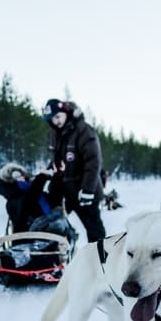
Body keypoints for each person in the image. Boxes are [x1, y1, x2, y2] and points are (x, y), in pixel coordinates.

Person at [42, 98, 106, 243]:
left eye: (58, 117)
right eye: (52, 119)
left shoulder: (83, 130)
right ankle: (58, 256)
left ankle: (102, 260)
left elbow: (93, 161)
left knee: (94, 229)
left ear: (66, 112)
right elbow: (57, 159)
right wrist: (46, 173)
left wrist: (88, 190)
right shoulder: (54, 132)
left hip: (84, 190)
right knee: (53, 223)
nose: (55, 121)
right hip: (65, 190)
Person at [0, 162, 51, 233]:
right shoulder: (15, 200)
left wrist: (58, 175)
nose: (21, 179)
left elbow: (54, 199)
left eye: (22, 176)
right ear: (11, 181)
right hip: (25, 237)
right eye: (17, 178)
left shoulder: (39, 195)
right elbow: (31, 198)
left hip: (45, 232)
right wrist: (41, 177)